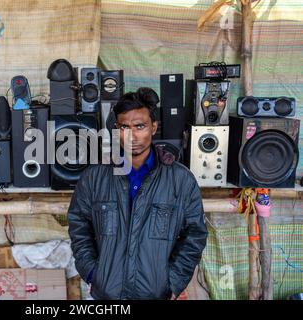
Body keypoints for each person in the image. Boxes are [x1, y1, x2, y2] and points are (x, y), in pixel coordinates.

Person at [68, 87, 208, 300]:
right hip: (106, 294)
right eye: (124, 127)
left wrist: (172, 281)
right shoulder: (94, 178)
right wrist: (92, 273)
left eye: (140, 126)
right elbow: (79, 226)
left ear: (153, 127)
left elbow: (195, 235)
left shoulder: (181, 181)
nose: (131, 135)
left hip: (156, 293)